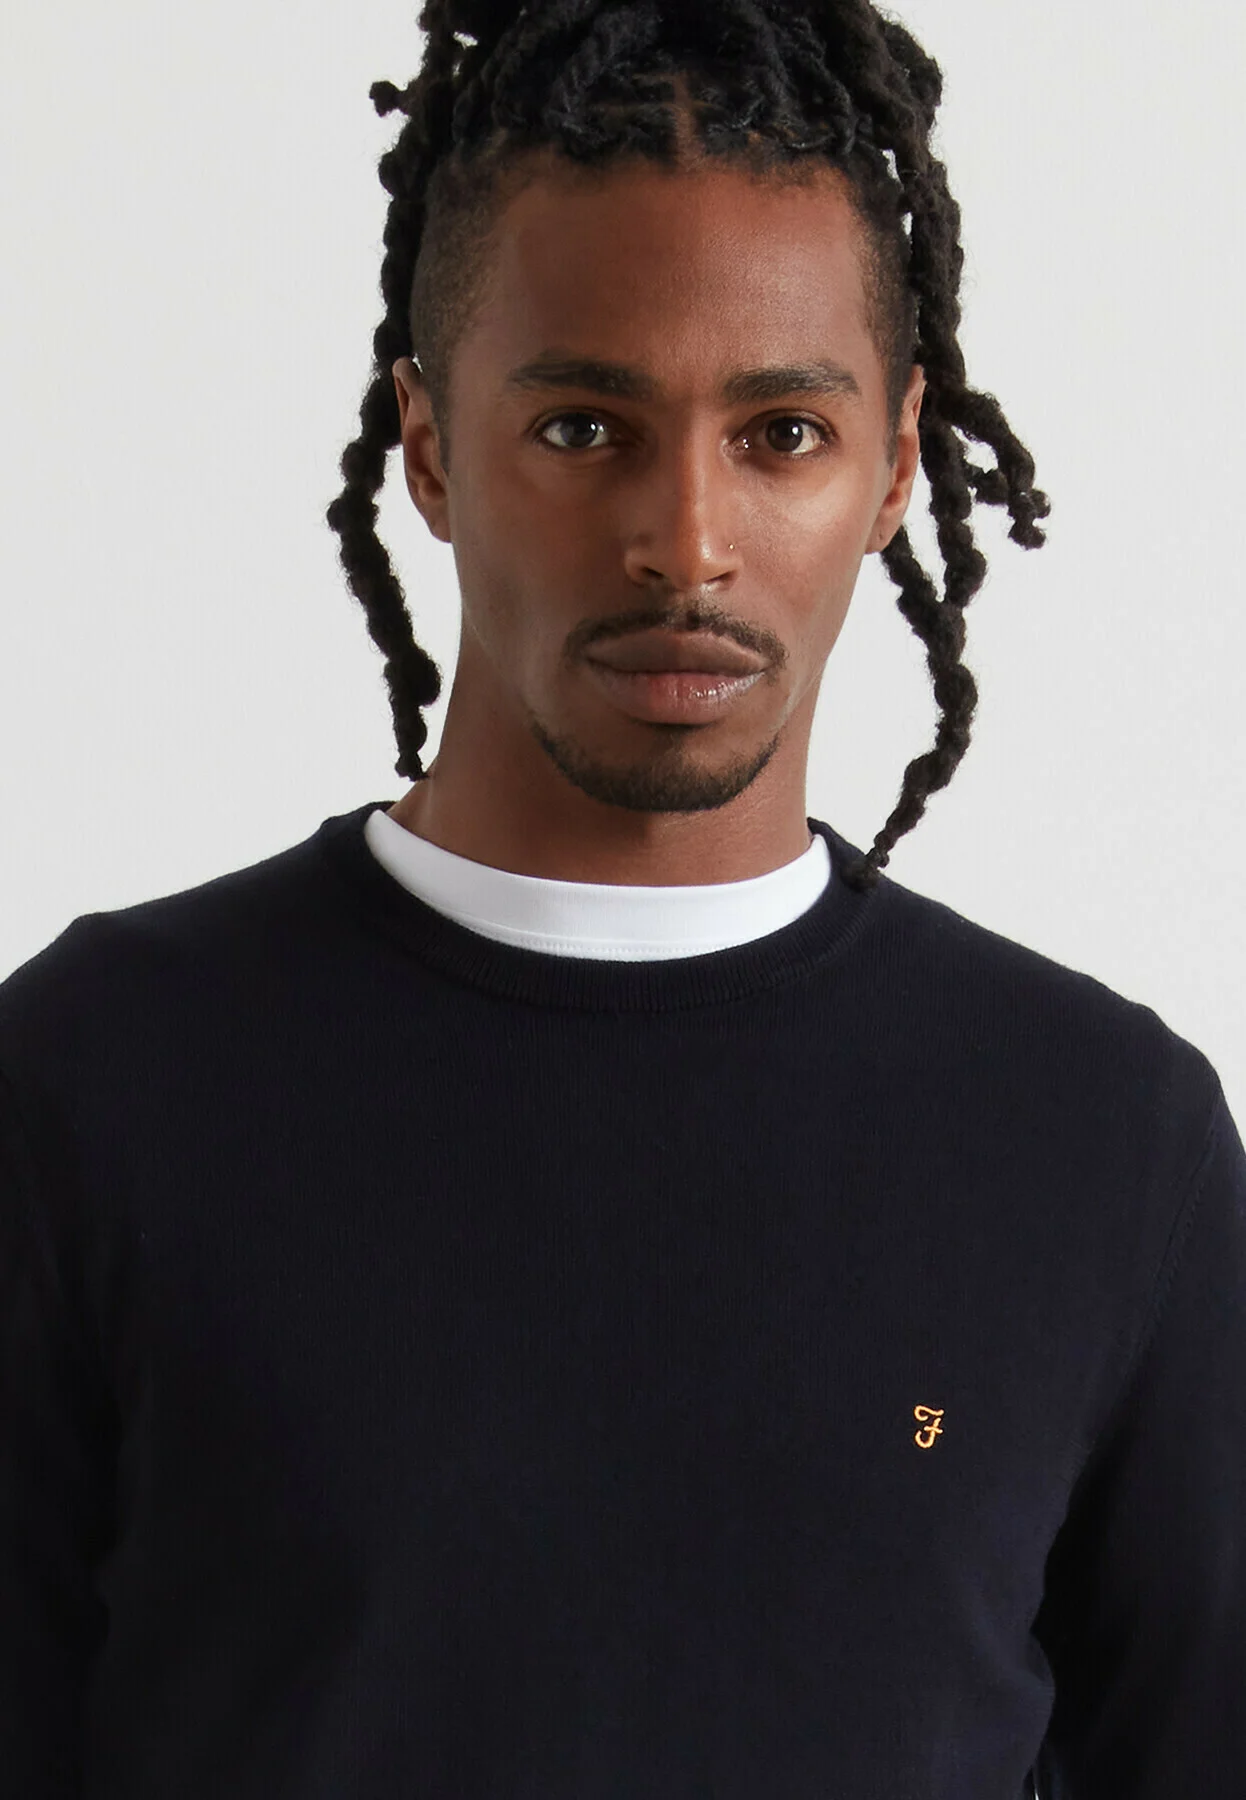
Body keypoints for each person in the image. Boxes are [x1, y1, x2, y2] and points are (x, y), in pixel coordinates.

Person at [1, 1, 1241, 1795]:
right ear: (431, 448)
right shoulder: (93, 1081)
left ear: (895, 463)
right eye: (583, 426)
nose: (686, 541)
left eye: (781, 432)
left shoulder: (1102, 1137)